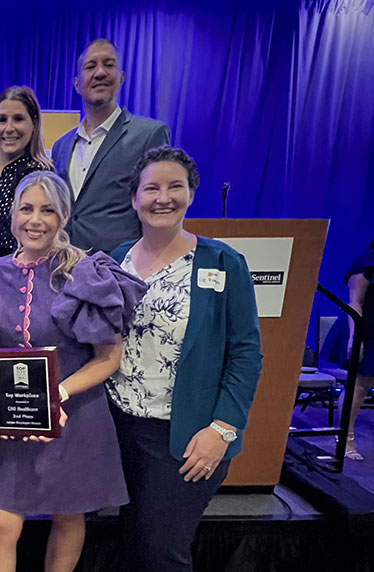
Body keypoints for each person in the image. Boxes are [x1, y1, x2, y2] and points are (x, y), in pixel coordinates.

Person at [0, 171, 145, 572]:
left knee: (69, 517)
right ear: (12, 214)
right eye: (27, 208)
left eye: (48, 210)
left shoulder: (86, 273)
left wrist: (56, 395)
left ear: (64, 215)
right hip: (11, 423)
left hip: (75, 418)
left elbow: (108, 357)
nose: (36, 219)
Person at [106, 146, 262, 572]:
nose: (163, 197)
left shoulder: (223, 262)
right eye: (151, 187)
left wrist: (223, 429)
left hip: (187, 437)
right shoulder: (116, 259)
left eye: (175, 186)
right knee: (132, 543)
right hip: (118, 429)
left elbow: (246, 354)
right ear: (134, 198)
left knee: (161, 552)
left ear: (191, 193)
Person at [52, 39, 170, 254]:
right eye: (90, 66)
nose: (99, 73)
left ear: (121, 78)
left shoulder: (149, 135)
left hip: (121, 272)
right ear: (77, 84)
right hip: (66, 270)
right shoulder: (61, 146)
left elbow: (158, 210)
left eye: (109, 64)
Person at [0, 86, 53, 269]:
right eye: (2, 120)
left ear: (34, 123)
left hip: (12, 278)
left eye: (19, 119)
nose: (9, 128)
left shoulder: (39, 176)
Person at [340, 240, 374, 460]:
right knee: (360, 384)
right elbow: (355, 302)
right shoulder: (367, 261)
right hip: (366, 327)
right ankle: (346, 438)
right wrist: (356, 337)